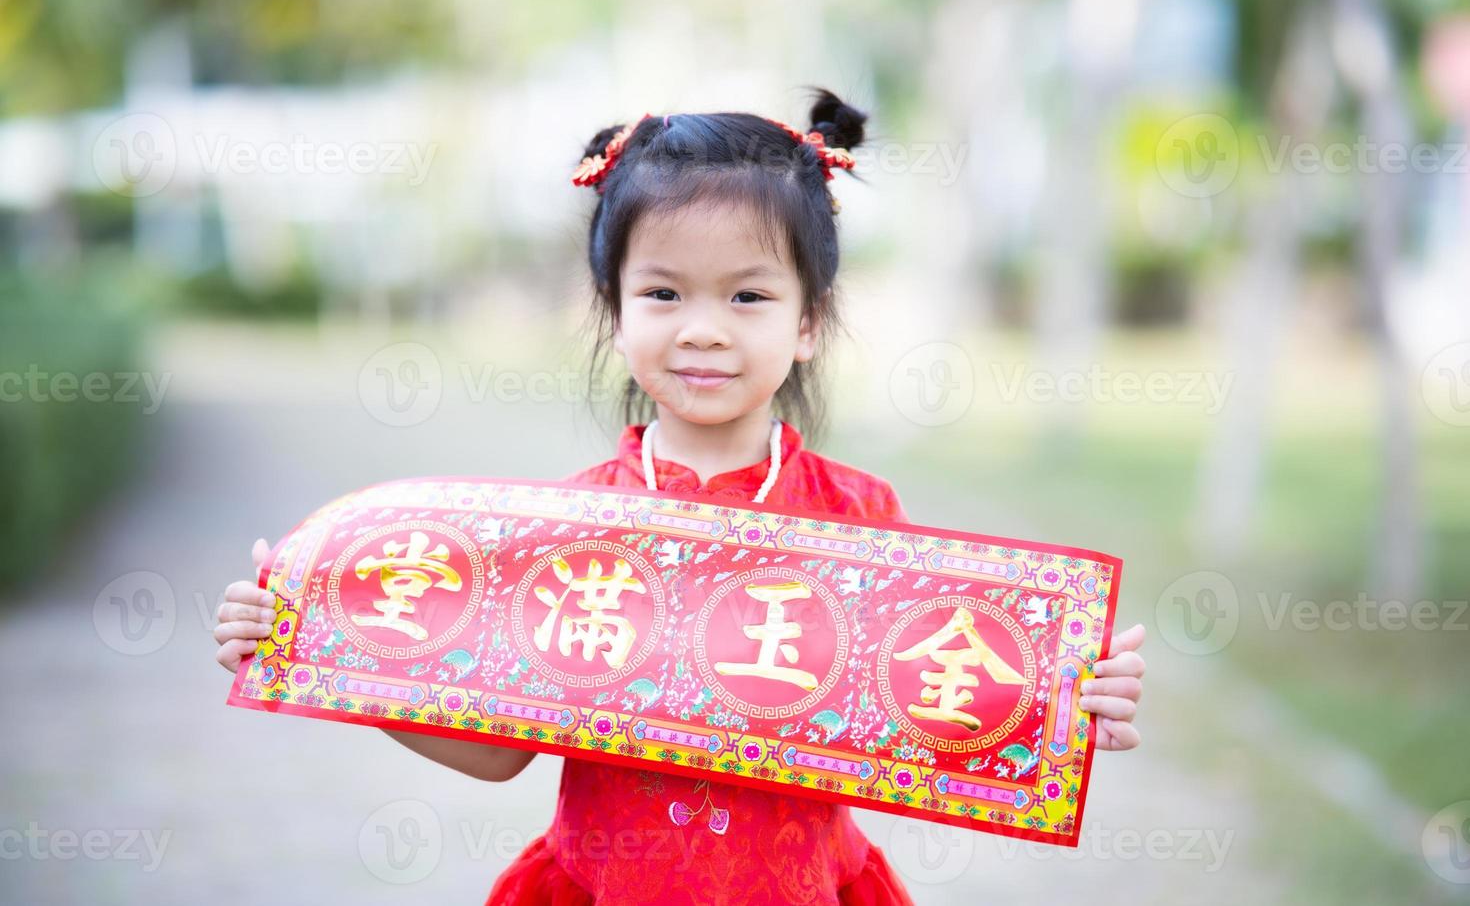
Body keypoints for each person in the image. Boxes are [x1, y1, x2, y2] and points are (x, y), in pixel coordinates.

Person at [213, 88, 1148, 904]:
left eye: (747, 297)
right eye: (663, 293)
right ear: (617, 315)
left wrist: (1064, 700)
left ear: (809, 321)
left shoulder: (862, 523)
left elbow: (926, 718)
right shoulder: (566, 533)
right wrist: (330, 650)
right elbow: (498, 753)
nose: (702, 329)